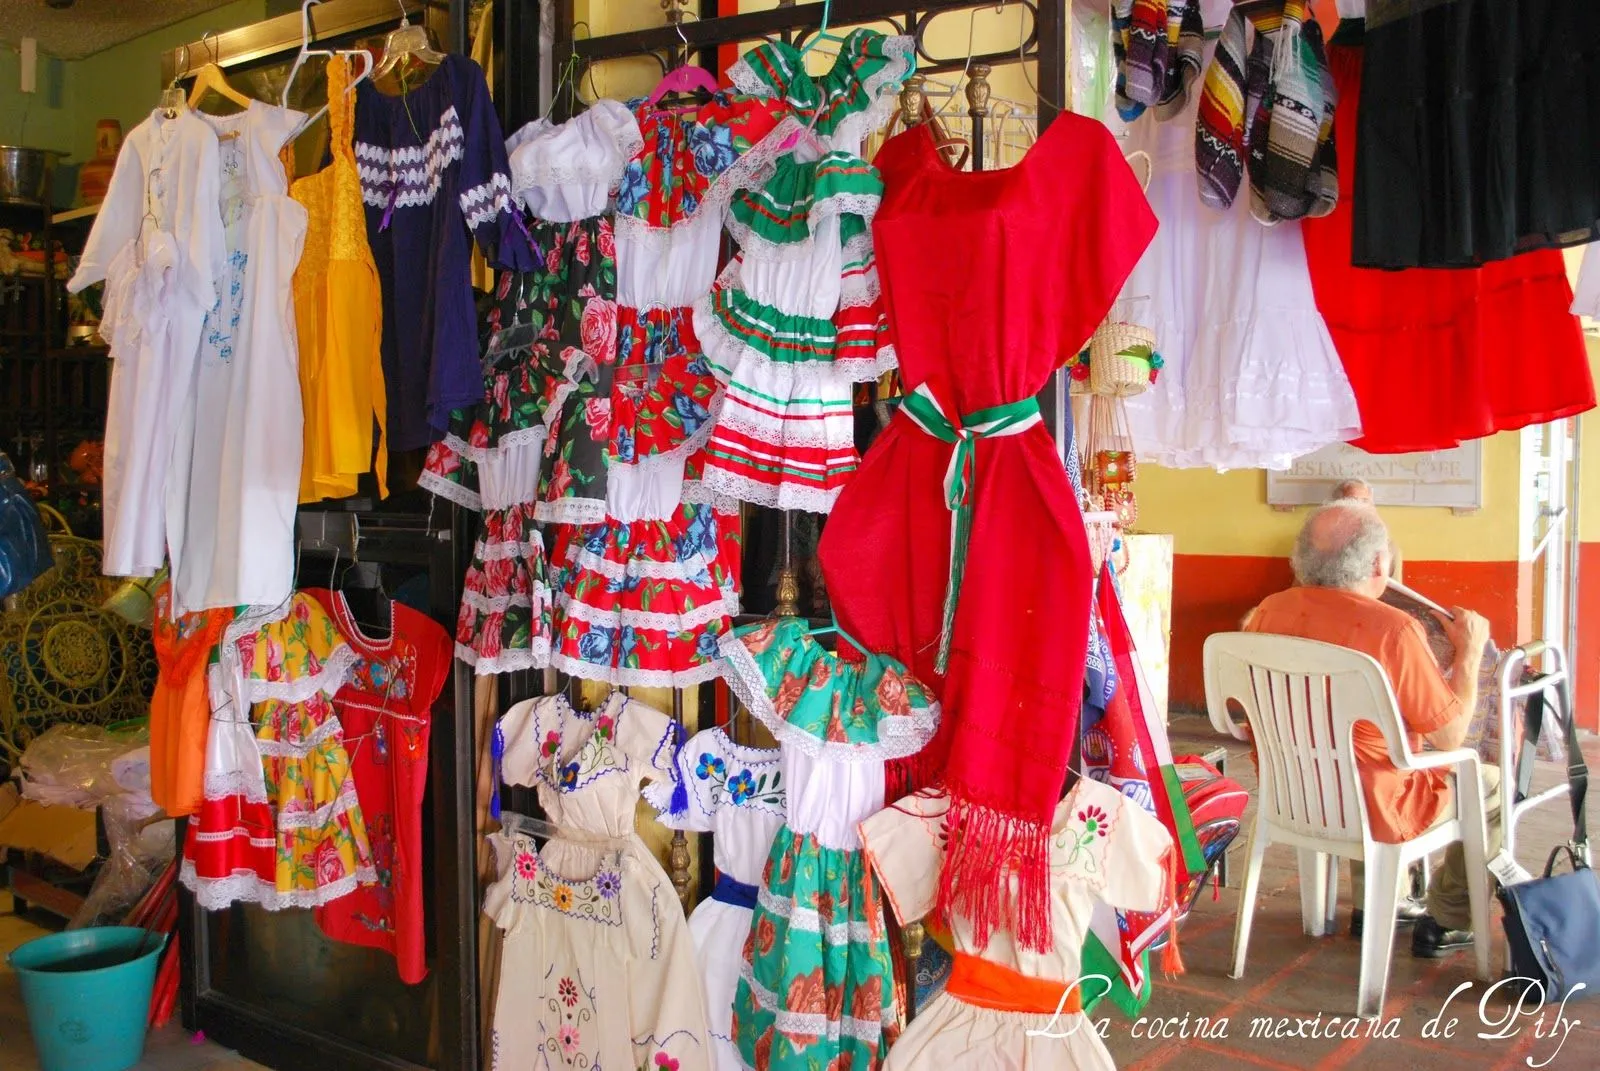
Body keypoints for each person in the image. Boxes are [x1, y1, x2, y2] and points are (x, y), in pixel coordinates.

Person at [1243, 499, 1497, 957]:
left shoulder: (1267, 612)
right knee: (1491, 784)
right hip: (1376, 807)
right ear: (1380, 563)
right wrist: (1470, 654)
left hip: (1292, 796)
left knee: (1372, 753)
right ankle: (1448, 919)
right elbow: (1451, 736)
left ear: (1302, 558)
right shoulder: (1394, 630)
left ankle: (1382, 901)